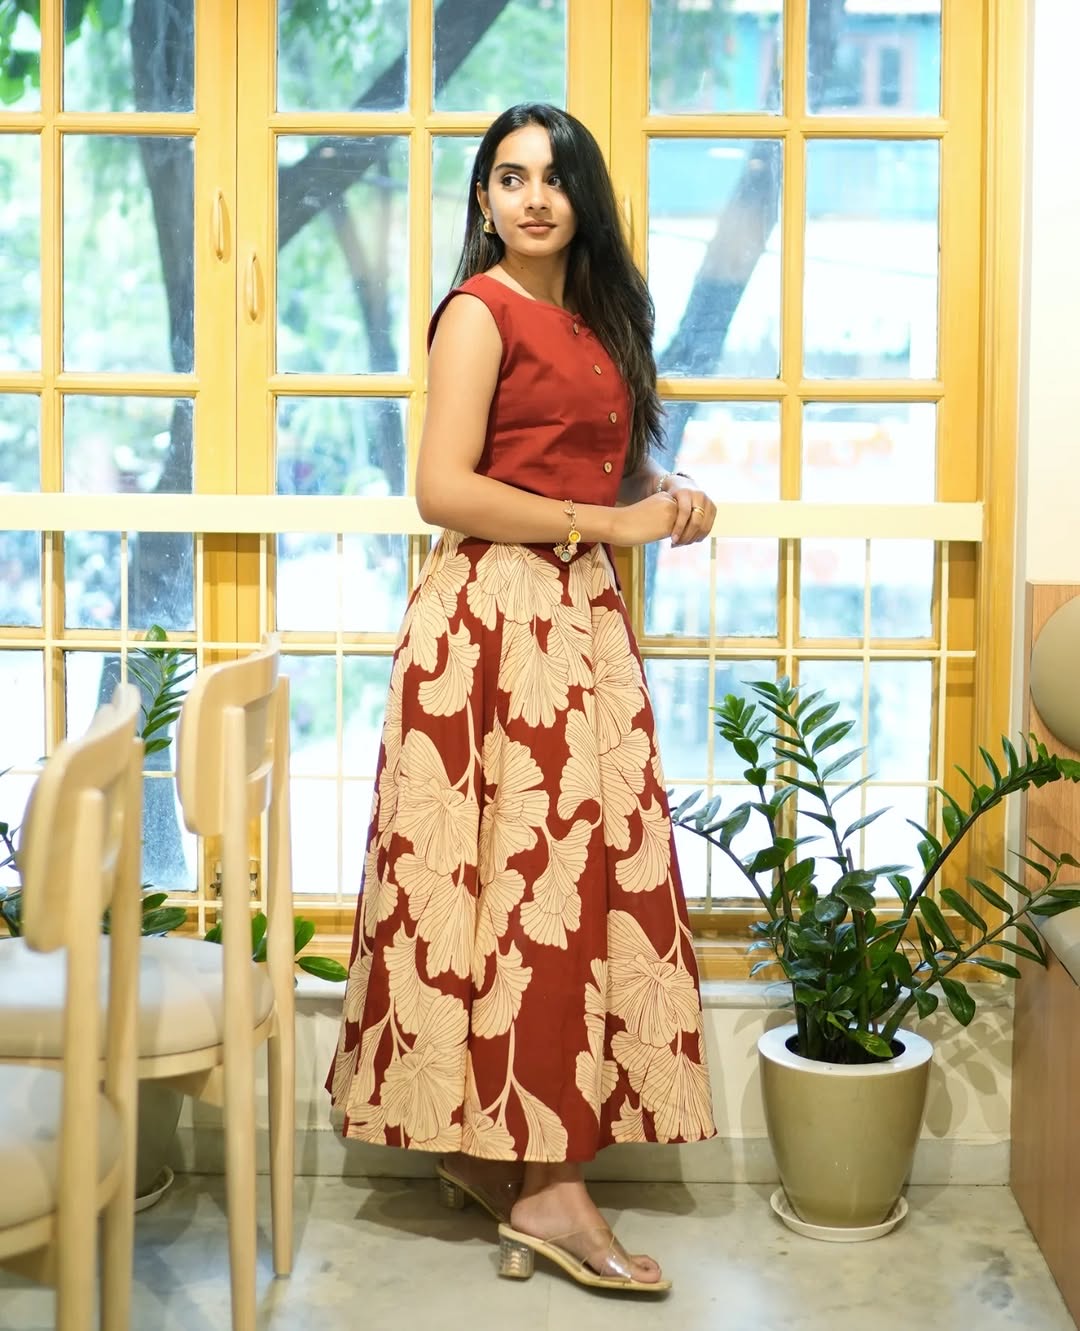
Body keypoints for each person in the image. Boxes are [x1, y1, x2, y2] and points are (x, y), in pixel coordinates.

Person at [327, 102, 717, 1294]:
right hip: (494, 627)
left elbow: (571, 449)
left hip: (576, 625)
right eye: (509, 177)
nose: (533, 197)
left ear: (583, 196)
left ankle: (503, 1151)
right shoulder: (478, 312)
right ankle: (546, 1183)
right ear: (484, 199)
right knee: (515, 891)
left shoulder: (588, 317)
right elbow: (443, 488)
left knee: (565, 890)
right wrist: (612, 522)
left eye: (553, 178)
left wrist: (666, 482)